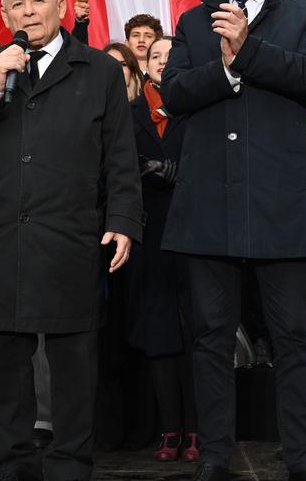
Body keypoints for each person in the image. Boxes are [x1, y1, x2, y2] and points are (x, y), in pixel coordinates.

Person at [0, 0, 142, 481]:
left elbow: (121, 156)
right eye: (17, 5)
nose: (28, 12)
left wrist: (123, 220)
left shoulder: (99, 70)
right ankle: (12, 465)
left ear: (61, 8)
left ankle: (70, 465)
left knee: (74, 363)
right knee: (1, 367)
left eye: (38, 1)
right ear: (4, 15)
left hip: (69, 236)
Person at [160, 0, 306, 481]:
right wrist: (228, 71)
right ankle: (214, 455)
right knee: (211, 338)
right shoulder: (193, 21)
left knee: (293, 338)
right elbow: (175, 92)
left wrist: (247, 50)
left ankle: (302, 457)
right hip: (208, 204)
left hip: (283, 206)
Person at [128, 37, 198, 462]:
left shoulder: (197, 108)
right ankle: (169, 430)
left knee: (195, 334)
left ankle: (197, 429)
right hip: (147, 233)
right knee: (158, 333)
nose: (161, 62)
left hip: (192, 232)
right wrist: (143, 170)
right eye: (155, 56)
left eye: (170, 57)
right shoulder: (130, 112)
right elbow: (114, 163)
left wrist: (182, 172)